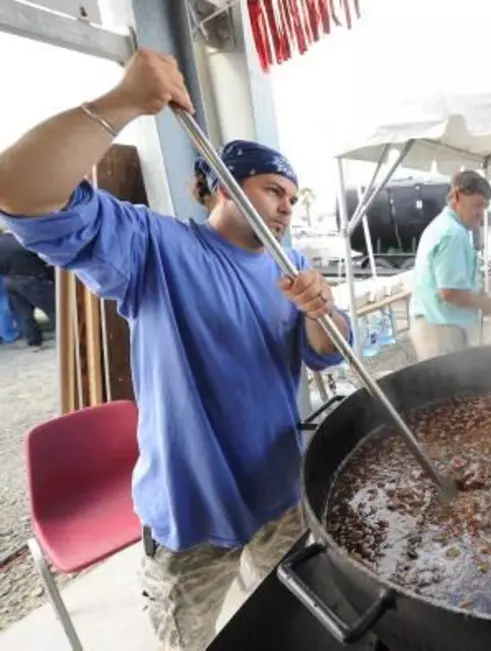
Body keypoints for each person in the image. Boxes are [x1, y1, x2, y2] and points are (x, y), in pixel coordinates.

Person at [0, 49, 352, 650]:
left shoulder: (289, 264)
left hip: (279, 489)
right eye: (272, 190)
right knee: (191, 641)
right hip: (193, 513)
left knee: (281, 622)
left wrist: (322, 311)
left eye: (293, 197)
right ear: (220, 187)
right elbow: (19, 191)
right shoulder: (156, 247)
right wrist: (121, 103)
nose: (287, 206)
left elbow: (329, 352)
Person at [408, 169, 491, 361]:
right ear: (457, 196)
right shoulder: (452, 234)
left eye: (484, 207)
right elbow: (449, 292)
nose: (481, 215)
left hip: (436, 328)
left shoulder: (444, 226)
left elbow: (456, 283)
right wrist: (483, 303)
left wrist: (478, 293)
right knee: (448, 389)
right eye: (477, 205)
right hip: (442, 333)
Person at [0, 227, 55, 346]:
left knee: (23, 313)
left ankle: (33, 339)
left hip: (10, 281)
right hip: (32, 279)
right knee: (53, 308)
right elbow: (43, 257)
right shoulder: (24, 240)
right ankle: (66, 333)